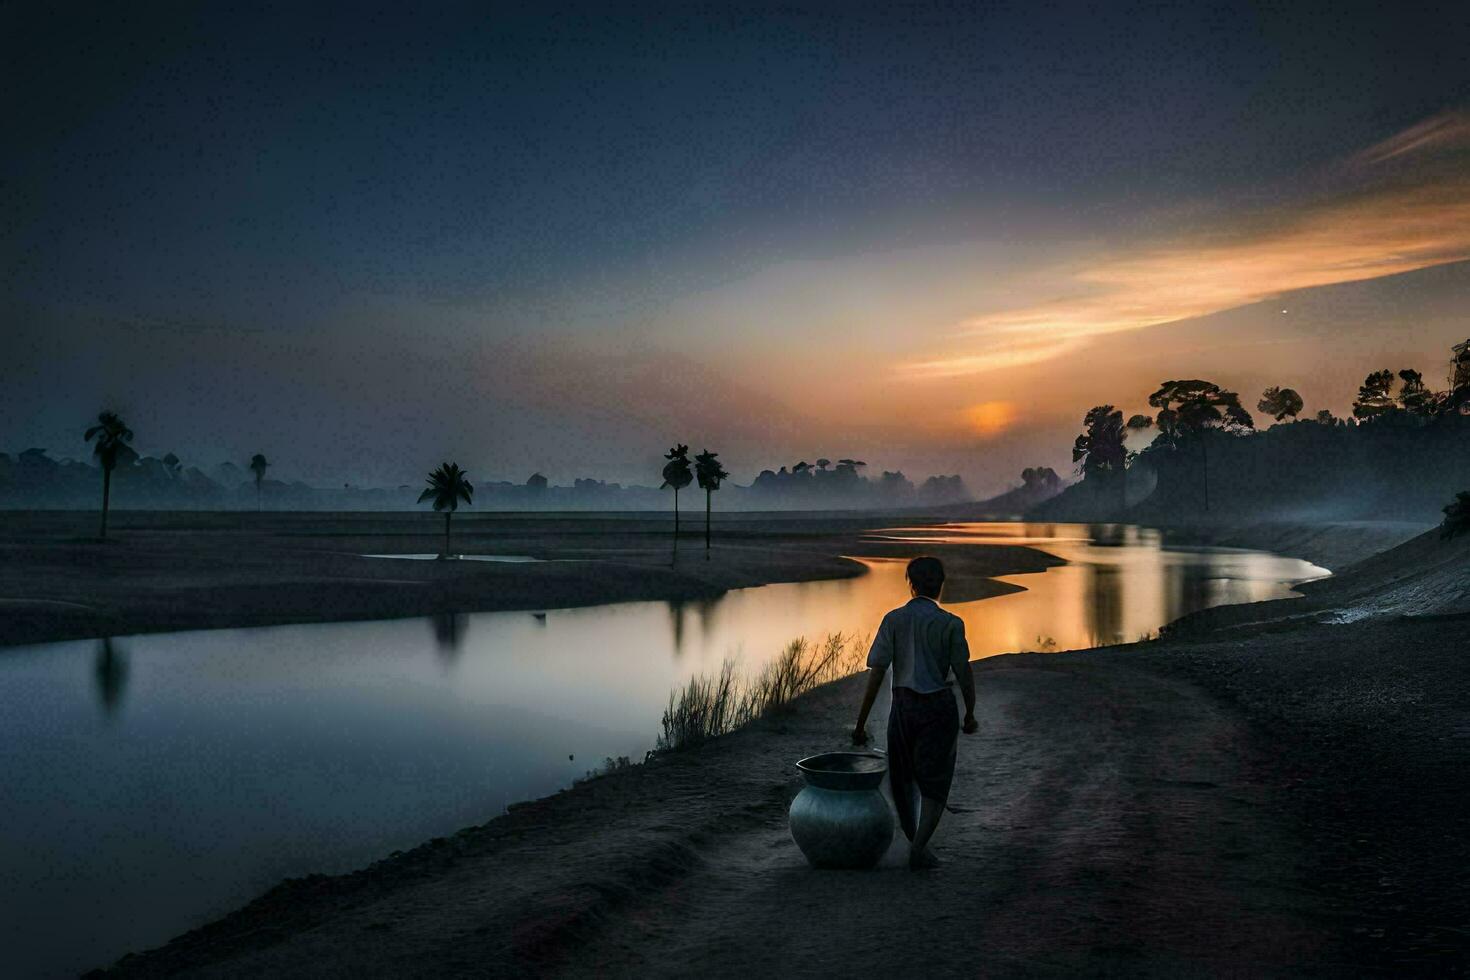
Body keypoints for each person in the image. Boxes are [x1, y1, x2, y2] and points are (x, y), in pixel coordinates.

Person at [851, 555, 978, 869]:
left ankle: (916, 844)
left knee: (903, 778)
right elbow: (963, 671)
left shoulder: (893, 620)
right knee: (936, 780)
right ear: (940, 585)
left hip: (903, 707)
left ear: (911, 584)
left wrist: (861, 723)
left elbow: (877, 672)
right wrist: (970, 712)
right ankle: (919, 847)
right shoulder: (950, 623)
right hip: (938, 707)